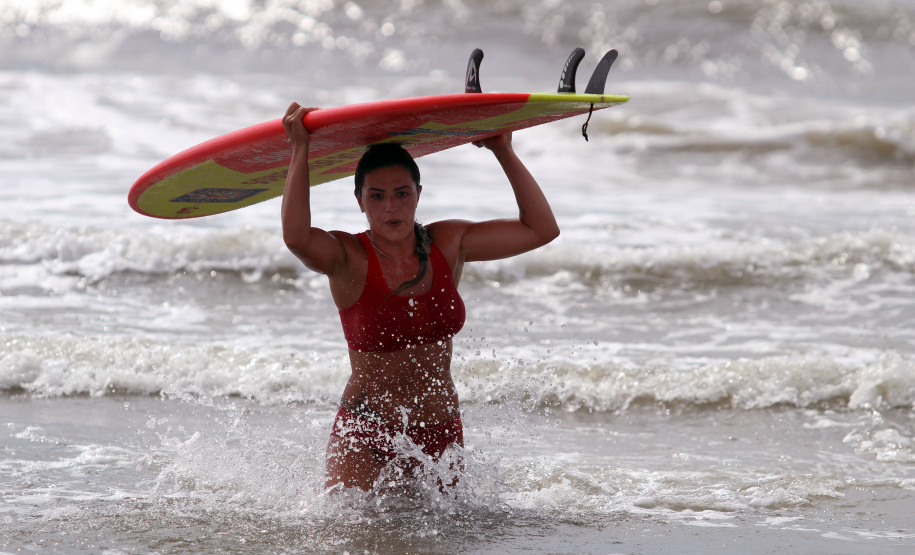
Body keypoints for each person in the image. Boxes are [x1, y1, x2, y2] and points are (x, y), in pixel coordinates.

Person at [281, 102, 560, 491]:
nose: (391, 207)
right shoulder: (348, 258)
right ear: (359, 200)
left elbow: (541, 229)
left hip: (440, 432)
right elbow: (296, 237)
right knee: (352, 540)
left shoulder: (448, 243)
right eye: (376, 196)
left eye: (401, 193)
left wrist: (502, 150)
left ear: (418, 193)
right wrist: (300, 148)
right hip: (367, 432)